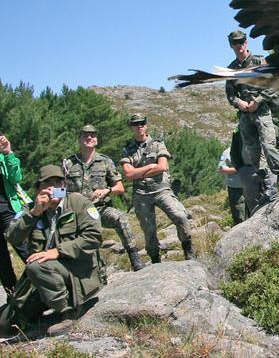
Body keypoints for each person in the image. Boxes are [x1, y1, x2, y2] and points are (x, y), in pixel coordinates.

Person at [0, 165, 103, 337]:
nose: (52, 189)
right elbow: (12, 237)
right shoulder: (32, 209)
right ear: (37, 189)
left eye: (57, 184)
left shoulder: (78, 203)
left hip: (76, 273)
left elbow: (93, 238)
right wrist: (34, 213)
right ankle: (43, 306)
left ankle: (69, 311)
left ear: (64, 187)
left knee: (36, 266)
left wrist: (58, 251)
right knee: (6, 323)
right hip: (46, 279)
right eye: (47, 185)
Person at [63, 124, 145, 271]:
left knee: (121, 218)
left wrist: (106, 190)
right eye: (85, 135)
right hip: (77, 213)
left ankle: (134, 257)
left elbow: (119, 188)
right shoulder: (68, 164)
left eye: (93, 135)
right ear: (79, 140)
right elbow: (59, 190)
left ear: (96, 140)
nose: (89, 138)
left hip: (100, 209)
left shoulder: (105, 161)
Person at [225, 30, 279, 201]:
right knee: (254, 153)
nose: (239, 45)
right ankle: (269, 187)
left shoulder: (259, 61)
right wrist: (238, 103)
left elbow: (273, 84)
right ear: (231, 45)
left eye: (241, 41)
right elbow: (230, 93)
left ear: (246, 42)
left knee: (269, 147)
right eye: (235, 42)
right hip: (244, 115)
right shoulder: (232, 69)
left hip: (261, 112)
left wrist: (258, 100)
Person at [120, 114, 193, 263]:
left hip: (161, 189)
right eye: (136, 124)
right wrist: (150, 166)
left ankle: (188, 250)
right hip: (141, 193)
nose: (139, 126)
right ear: (131, 127)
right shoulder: (127, 149)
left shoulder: (157, 144)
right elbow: (128, 174)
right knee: (149, 230)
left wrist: (138, 172)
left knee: (180, 216)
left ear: (146, 125)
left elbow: (162, 167)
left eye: (142, 123)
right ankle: (155, 259)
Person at [0, 135, 30, 295]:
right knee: (2, 261)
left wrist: (8, 153)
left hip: (8, 210)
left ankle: (45, 284)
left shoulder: (4, 157)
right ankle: (14, 298)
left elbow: (16, 178)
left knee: (24, 248)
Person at [217, 146, 247, 225]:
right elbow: (220, 169)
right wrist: (236, 169)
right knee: (239, 215)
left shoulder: (250, 148)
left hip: (251, 186)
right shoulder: (228, 152)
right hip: (236, 188)